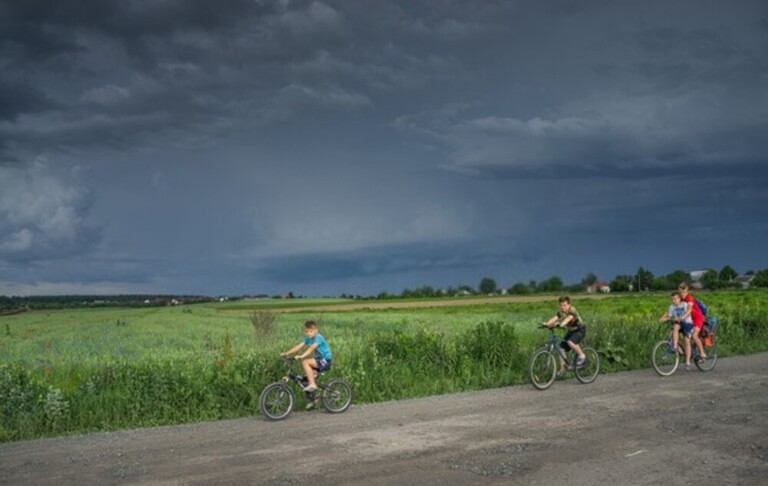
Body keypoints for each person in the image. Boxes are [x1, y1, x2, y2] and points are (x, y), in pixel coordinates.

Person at [544, 296, 587, 374]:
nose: (562, 307)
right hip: (571, 331)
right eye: (561, 305)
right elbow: (555, 317)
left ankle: (582, 356)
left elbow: (569, 318)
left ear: (569, 304)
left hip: (580, 330)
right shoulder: (562, 311)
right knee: (561, 348)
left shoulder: (572, 310)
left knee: (570, 342)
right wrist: (547, 324)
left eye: (564, 305)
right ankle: (563, 368)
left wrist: (561, 324)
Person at [660, 291, 693, 370]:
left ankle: (688, 362)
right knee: (675, 328)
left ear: (679, 299)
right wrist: (663, 319)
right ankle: (675, 347)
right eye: (672, 299)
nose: (674, 301)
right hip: (678, 324)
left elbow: (688, 312)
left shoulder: (684, 304)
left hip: (687, 323)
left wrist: (682, 317)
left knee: (686, 340)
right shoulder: (671, 307)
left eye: (675, 299)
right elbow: (669, 315)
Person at [678, 283, 707, 362]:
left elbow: (689, 310)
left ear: (686, 291)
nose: (681, 294)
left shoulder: (689, 298)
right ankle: (690, 352)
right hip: (689, 319)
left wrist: (682, 317)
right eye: (680, 292)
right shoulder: (681, 300)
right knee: (682, 333)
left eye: (683, 292)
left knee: (694, 336)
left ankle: (702, 353)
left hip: (698, 318)